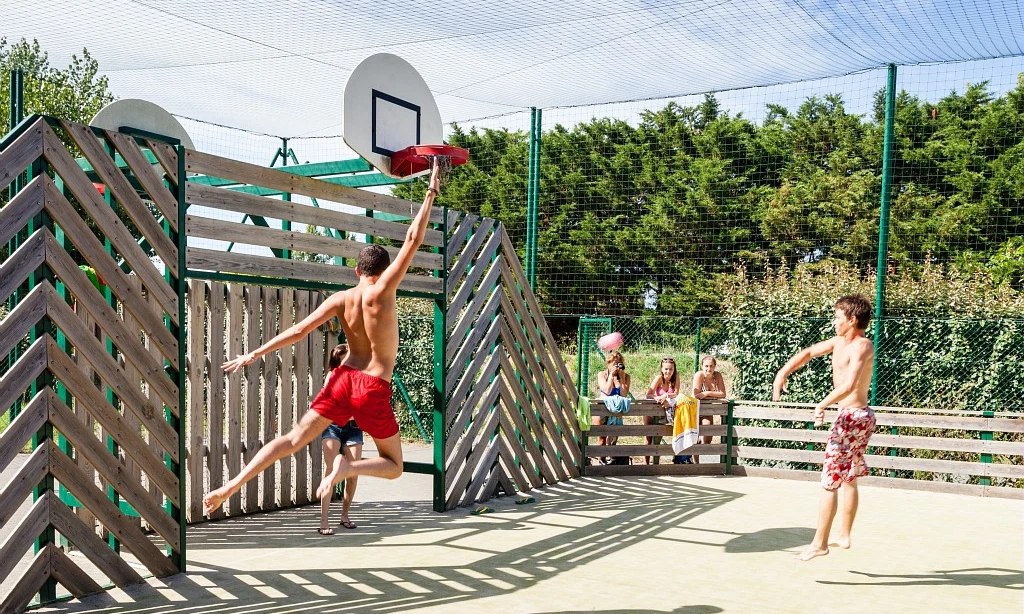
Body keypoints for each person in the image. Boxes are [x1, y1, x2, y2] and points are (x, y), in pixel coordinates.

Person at [202, 164, 441, 516]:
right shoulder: (384, 291)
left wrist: (253, 352)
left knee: (292, 440)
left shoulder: (340, 299)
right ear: (383, 270)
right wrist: (430, 192)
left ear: (356, 271)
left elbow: (298, 331)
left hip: (342, 380)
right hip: (373, 385)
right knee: (394, 465)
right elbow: (412, 240)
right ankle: (349, 468)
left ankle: (231, 485)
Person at [772, 294, 876, 561]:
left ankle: (820, 543)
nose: (834, 322)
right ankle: (843, 535)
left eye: (838, 318)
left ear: (852, 320)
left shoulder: (862, 345)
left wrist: (822, 405)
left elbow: (850, 385)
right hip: (855, 417)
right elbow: (808, 353)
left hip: (853, 417)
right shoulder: (838, 342)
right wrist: (783, 372)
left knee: (830, 481)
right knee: (849, 475)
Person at [317, 344, 364, 535]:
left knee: (353, 473)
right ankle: (323, 521)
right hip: (333, 426)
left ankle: (344, 515)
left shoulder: (360, 376)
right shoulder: (332, 376)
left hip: (354, 428)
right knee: (330, 472)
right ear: (339, 360)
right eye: (347, 359)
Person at [590, 351, 631, 463]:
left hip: (616, 409)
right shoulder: (602, 374)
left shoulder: (626, 376)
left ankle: (612, 461)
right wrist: (611, 377)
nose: (616, 366)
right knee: (602, 438)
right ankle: (600, 460)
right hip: (602, 408)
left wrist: (621, 379)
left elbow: (623, 394)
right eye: (614, 364)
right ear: (608, 364)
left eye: (618, 363)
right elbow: (607, 391)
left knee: (613, 438)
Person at [691, 356, 727, 463]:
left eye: (711, 366)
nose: (708, 369)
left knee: (708, 436)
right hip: (695, 409)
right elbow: (697, 395)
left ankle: (699, 449)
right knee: (694, 436)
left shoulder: (717, 375)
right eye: (706, 366)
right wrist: (715, 396)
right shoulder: (699, 375)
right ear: (702, 366)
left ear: (715, 366)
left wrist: (707, 393)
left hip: (707, 410)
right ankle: (696, 463)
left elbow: (723, 394)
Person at [644, 357, 679, 465]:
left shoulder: (676, 377)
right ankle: (646, 464)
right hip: (651, 411)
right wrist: (657, 398)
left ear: (674, 370)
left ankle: (656, 464)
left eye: (671, 369)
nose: (668, 372)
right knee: (648, 439)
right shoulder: (659, 378)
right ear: (662, 368)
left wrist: (666, 395)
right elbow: (649, 394)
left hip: (664, 413)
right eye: (666, 369)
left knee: (658, 439)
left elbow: (676, 393)